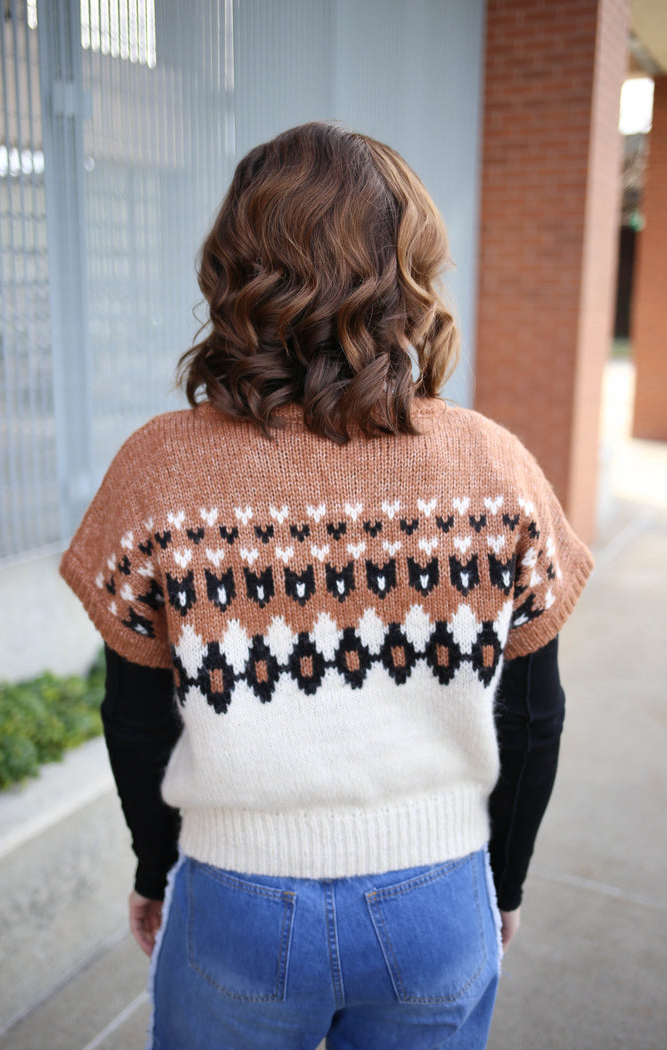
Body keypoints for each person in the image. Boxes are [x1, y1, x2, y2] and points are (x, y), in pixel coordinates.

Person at [60, 122, 593, 1050]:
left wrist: (157, 868)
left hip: (235, 904)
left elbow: (136, 715)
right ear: (409, 270)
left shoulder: (158, 470)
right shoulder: (495, 466)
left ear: (234, 269)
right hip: (439, 898)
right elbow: (534, 717)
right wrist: (500, 885)